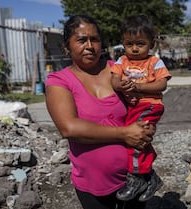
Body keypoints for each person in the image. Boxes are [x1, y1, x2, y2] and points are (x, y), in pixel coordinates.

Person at [45, 15, 155, 209]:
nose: (89, 46)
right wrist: (125, 133)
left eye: (94, 39)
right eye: (81, 40)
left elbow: (145, 101)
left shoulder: (119, 69)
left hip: (134, 179)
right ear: (66, 47)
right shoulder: (59, 81)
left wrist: (147, 126)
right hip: (93, 184)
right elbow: (69, 128)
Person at [111, 14, 172, 202]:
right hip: (133, 107)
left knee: (135, 140)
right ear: (123, 43)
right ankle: (151, 177)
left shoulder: (154, 62)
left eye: (140, 44)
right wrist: (120, 86)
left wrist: (138, 87)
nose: (134, 49)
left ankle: (136, 177)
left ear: (151, 44)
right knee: (138, 138)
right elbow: (114, 80)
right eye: (129, 44)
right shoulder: (122, 61)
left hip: (150, 105)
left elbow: (162, 84)